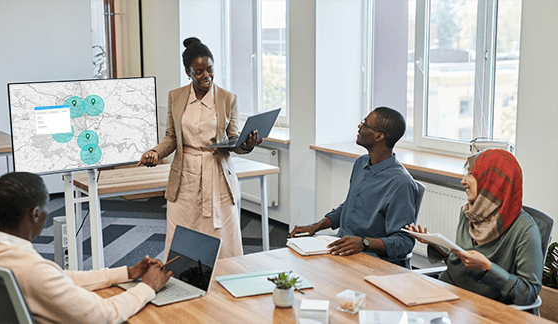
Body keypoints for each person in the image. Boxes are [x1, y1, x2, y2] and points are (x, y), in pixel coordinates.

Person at [0, 172, 173, 324]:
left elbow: (60, 278)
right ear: (36, 214)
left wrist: (127, 273)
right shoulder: (33, 271)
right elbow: (103, 315)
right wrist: (147, 287)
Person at [138, 37, 261, 259]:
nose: (206, 76)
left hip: (217, 175)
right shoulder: (176, 97)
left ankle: (226, 282)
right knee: (182, 233)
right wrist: (156, 152)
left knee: (223, 235)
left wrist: (247, 146)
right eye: (199, 71)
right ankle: (181, 283)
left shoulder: (228, 99)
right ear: (188, 72)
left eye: (210, 70)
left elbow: (233, 140)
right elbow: (171, 137)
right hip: (184, 177)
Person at [406, 149, 543, 305]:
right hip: (449, 293)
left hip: (483, 306)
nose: (463, 181)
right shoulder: (469, 212)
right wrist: (434, 243)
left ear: (492, 181)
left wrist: (487, 267)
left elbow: (529, 293)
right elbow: (464, 261)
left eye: (471, 174)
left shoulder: (526, 231)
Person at [289, 107, 417, 266]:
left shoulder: (401, 183)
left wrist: (365, 243)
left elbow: (404, 242)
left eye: (365, 123)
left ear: (379, 136)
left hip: (372, 260)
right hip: (342, 250)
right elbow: (350, 206)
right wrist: (315, 226)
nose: (359, 126)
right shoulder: (361, 163)